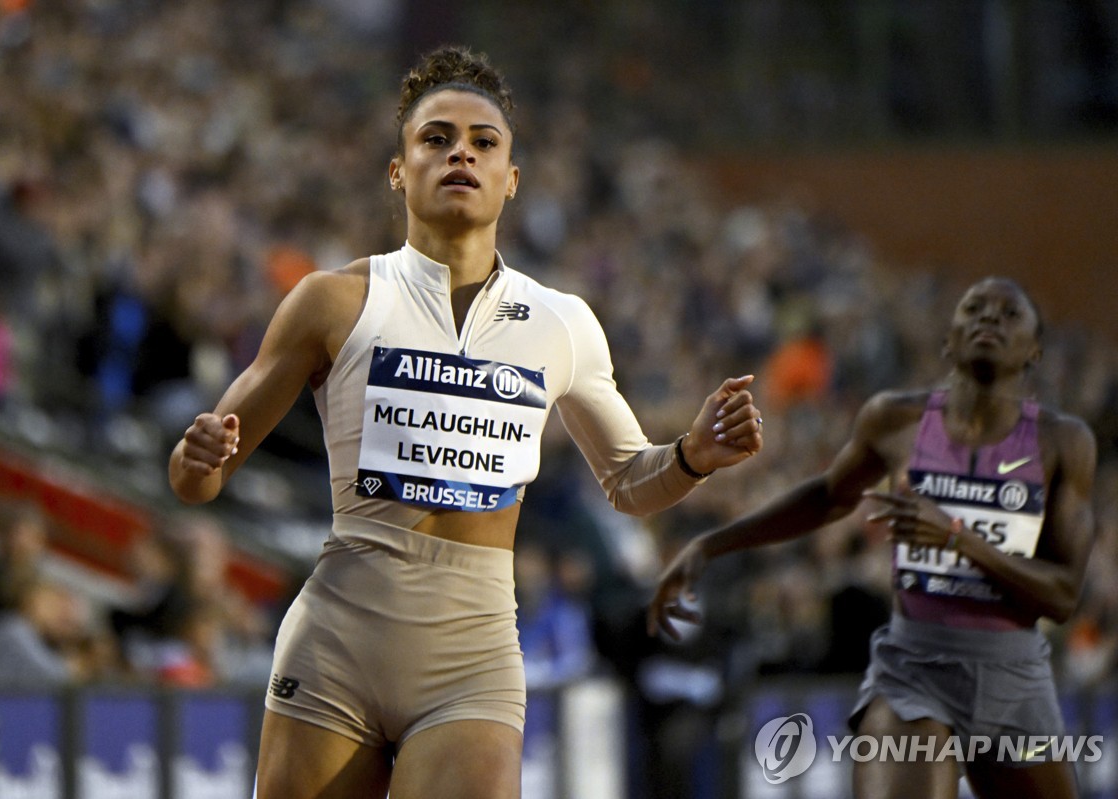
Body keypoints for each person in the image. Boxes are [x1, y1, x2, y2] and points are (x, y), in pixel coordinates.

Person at [168, 45, 764, 799]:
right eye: (436, 138)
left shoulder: (562, 322)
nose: (462, 154)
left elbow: (629, 482)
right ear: (398, 170)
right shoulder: (333, 301)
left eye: (484, 143)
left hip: (472, 654)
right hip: (339, 636)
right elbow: (198, 477)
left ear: (511, 179)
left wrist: (692, 454)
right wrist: (196, 458)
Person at [649, 276, 1097, 799]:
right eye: (974, 309)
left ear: (1035, 350)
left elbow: (1063, 596)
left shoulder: (1063, 443)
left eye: (1008, 314)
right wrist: (710, 545)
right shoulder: (896, 420)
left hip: (1013, 671)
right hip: (915, 667)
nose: (989, 320)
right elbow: (827, 496)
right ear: (949, 341)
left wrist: (958, 540)